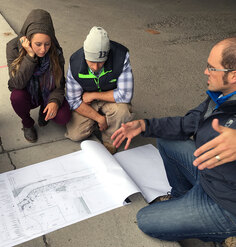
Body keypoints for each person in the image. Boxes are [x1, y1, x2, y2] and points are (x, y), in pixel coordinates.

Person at [111, 37, 236, 245]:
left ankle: (223, 233)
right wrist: (145, 126)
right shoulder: (221, 95)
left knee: (146, 220)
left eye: (211, 68)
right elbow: (188, 123)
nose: (205, 72)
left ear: (233, 75)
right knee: (168, 140)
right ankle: (181, 197)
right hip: (208, 174)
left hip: (225, 203)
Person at [65, 26, 134, 154]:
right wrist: (99, 118)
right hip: (87, 103)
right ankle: (101, 120)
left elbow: (125, 94)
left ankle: (109, 139)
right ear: (85, 54)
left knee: (123, 111)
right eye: (91, 62)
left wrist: (93, 94)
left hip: (110, 100)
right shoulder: (75, 63)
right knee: (75, 134)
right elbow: (73, 101)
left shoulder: (121, 56)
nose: (96, 67)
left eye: (101, 62)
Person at [6, 9, 71, 143]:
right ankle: (27, 124)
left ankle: (44, 107)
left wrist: (54, 101)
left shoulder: (56, 51)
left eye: (47, 44)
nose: (43, 49)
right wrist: (30, 56)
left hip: (47, 92)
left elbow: (60, 83)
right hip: (28, 94)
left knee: (64, 117)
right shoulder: (13, 48)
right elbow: (16, 84)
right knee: (17, 96)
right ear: (28, 40)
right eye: (38, 44)